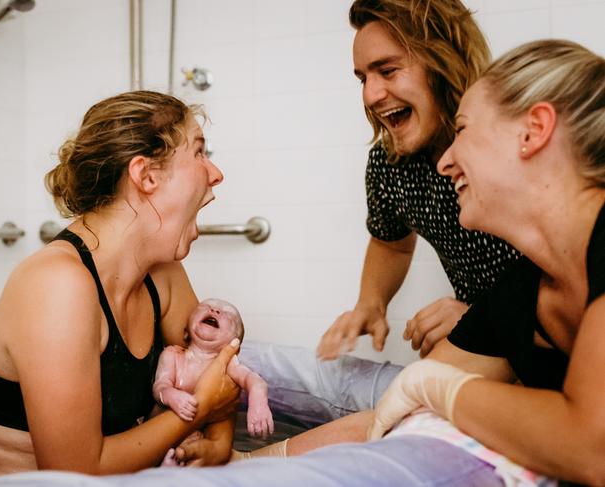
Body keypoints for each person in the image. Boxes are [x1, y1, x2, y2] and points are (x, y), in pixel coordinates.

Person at [236, 38, 605, 486]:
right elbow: (390, 409)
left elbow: (591, 447)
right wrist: (251, 463)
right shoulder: (516, 295)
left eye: (464, 130)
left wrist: (437, 387)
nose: (447, 163)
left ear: (534, 131)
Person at [235, 0, 518, 438]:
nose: (370, 95)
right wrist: (371, 303)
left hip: (528, 368)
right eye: (363, 78)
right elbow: (391, 240)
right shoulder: (392, 162)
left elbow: (567, 282)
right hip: (480, 352)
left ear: (443, 60)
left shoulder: (516, 154)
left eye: (388, 70)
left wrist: (486, 320)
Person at [0, 90, 241, 479]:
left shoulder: (163, 274)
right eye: (199, 152)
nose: (215, 173)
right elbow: (74, 472)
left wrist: (218, 440)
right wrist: (202, 411)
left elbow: (217, 374)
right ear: (146, 176)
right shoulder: (56, 286)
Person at [153, 298, 273, 466]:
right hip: (162, 432)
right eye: (205, 307)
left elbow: (252, 379)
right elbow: (160, 385)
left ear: (234, 344)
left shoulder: (228, 364)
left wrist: (258, 400)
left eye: (228, 314)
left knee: (197, 448)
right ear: (186, 331)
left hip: (197, 438)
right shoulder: (172, 355)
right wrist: (170, 395)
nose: (215, 311)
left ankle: (176, 463)